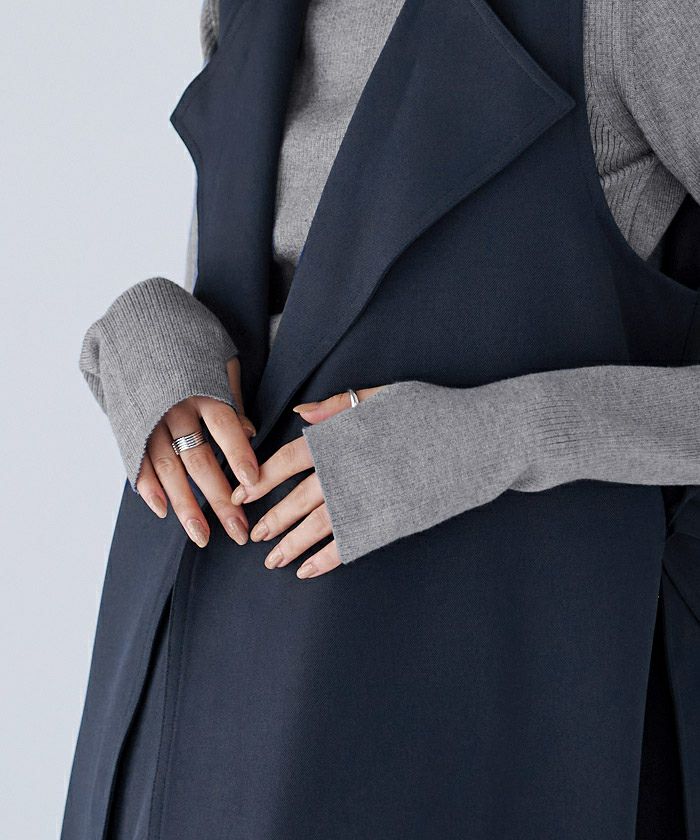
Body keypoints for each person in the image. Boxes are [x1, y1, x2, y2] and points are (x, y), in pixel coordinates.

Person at [62, 1, 700, 838]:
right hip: (190, 706)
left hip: (481, 716)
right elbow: (266, 312)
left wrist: (500, 434)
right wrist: (149, 328)